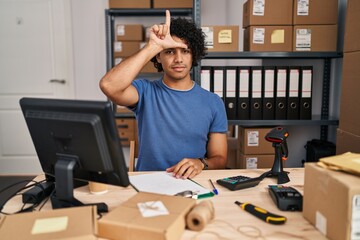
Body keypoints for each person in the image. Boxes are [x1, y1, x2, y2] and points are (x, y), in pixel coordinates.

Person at [100, 10, 228, 179]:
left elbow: (219, 159)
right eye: (169, 51)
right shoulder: (145, 92)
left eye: (185, 51)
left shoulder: (213, 102)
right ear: (158, 57)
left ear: (193, 55)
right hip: (149, 184)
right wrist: (152, 46)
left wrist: (201, 163)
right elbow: (109, 85)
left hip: (193, 185)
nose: (178, 59)